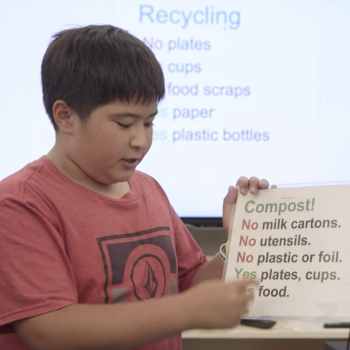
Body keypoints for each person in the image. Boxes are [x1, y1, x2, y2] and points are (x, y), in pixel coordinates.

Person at [0, 25, 271, 350]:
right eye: (124, 124)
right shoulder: (21, 203)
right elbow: (49, 329)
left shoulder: (148, 189)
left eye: (149, 122)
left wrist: (239, 242)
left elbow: (188, 283)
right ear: (65, 117)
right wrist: (187, 311)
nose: (140, 141)